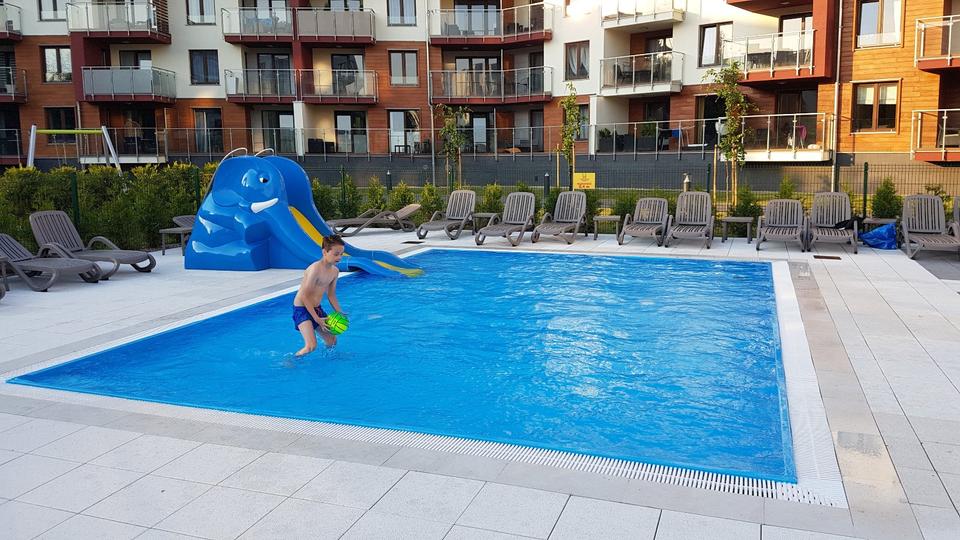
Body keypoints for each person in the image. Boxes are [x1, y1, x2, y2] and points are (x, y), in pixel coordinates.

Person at [293, 234, 345, 355]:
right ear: (325, 252)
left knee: (332, 340)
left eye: (341, 254)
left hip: (316, 308)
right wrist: (317, 319)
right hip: (302, 308)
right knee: (311, 346)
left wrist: (339, 312)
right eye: (336, 254)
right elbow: (304, 296)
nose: (339, 257)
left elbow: (331, 295)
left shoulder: (335, 271)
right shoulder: (315, 269)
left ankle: (328, 358)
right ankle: (292, 361)